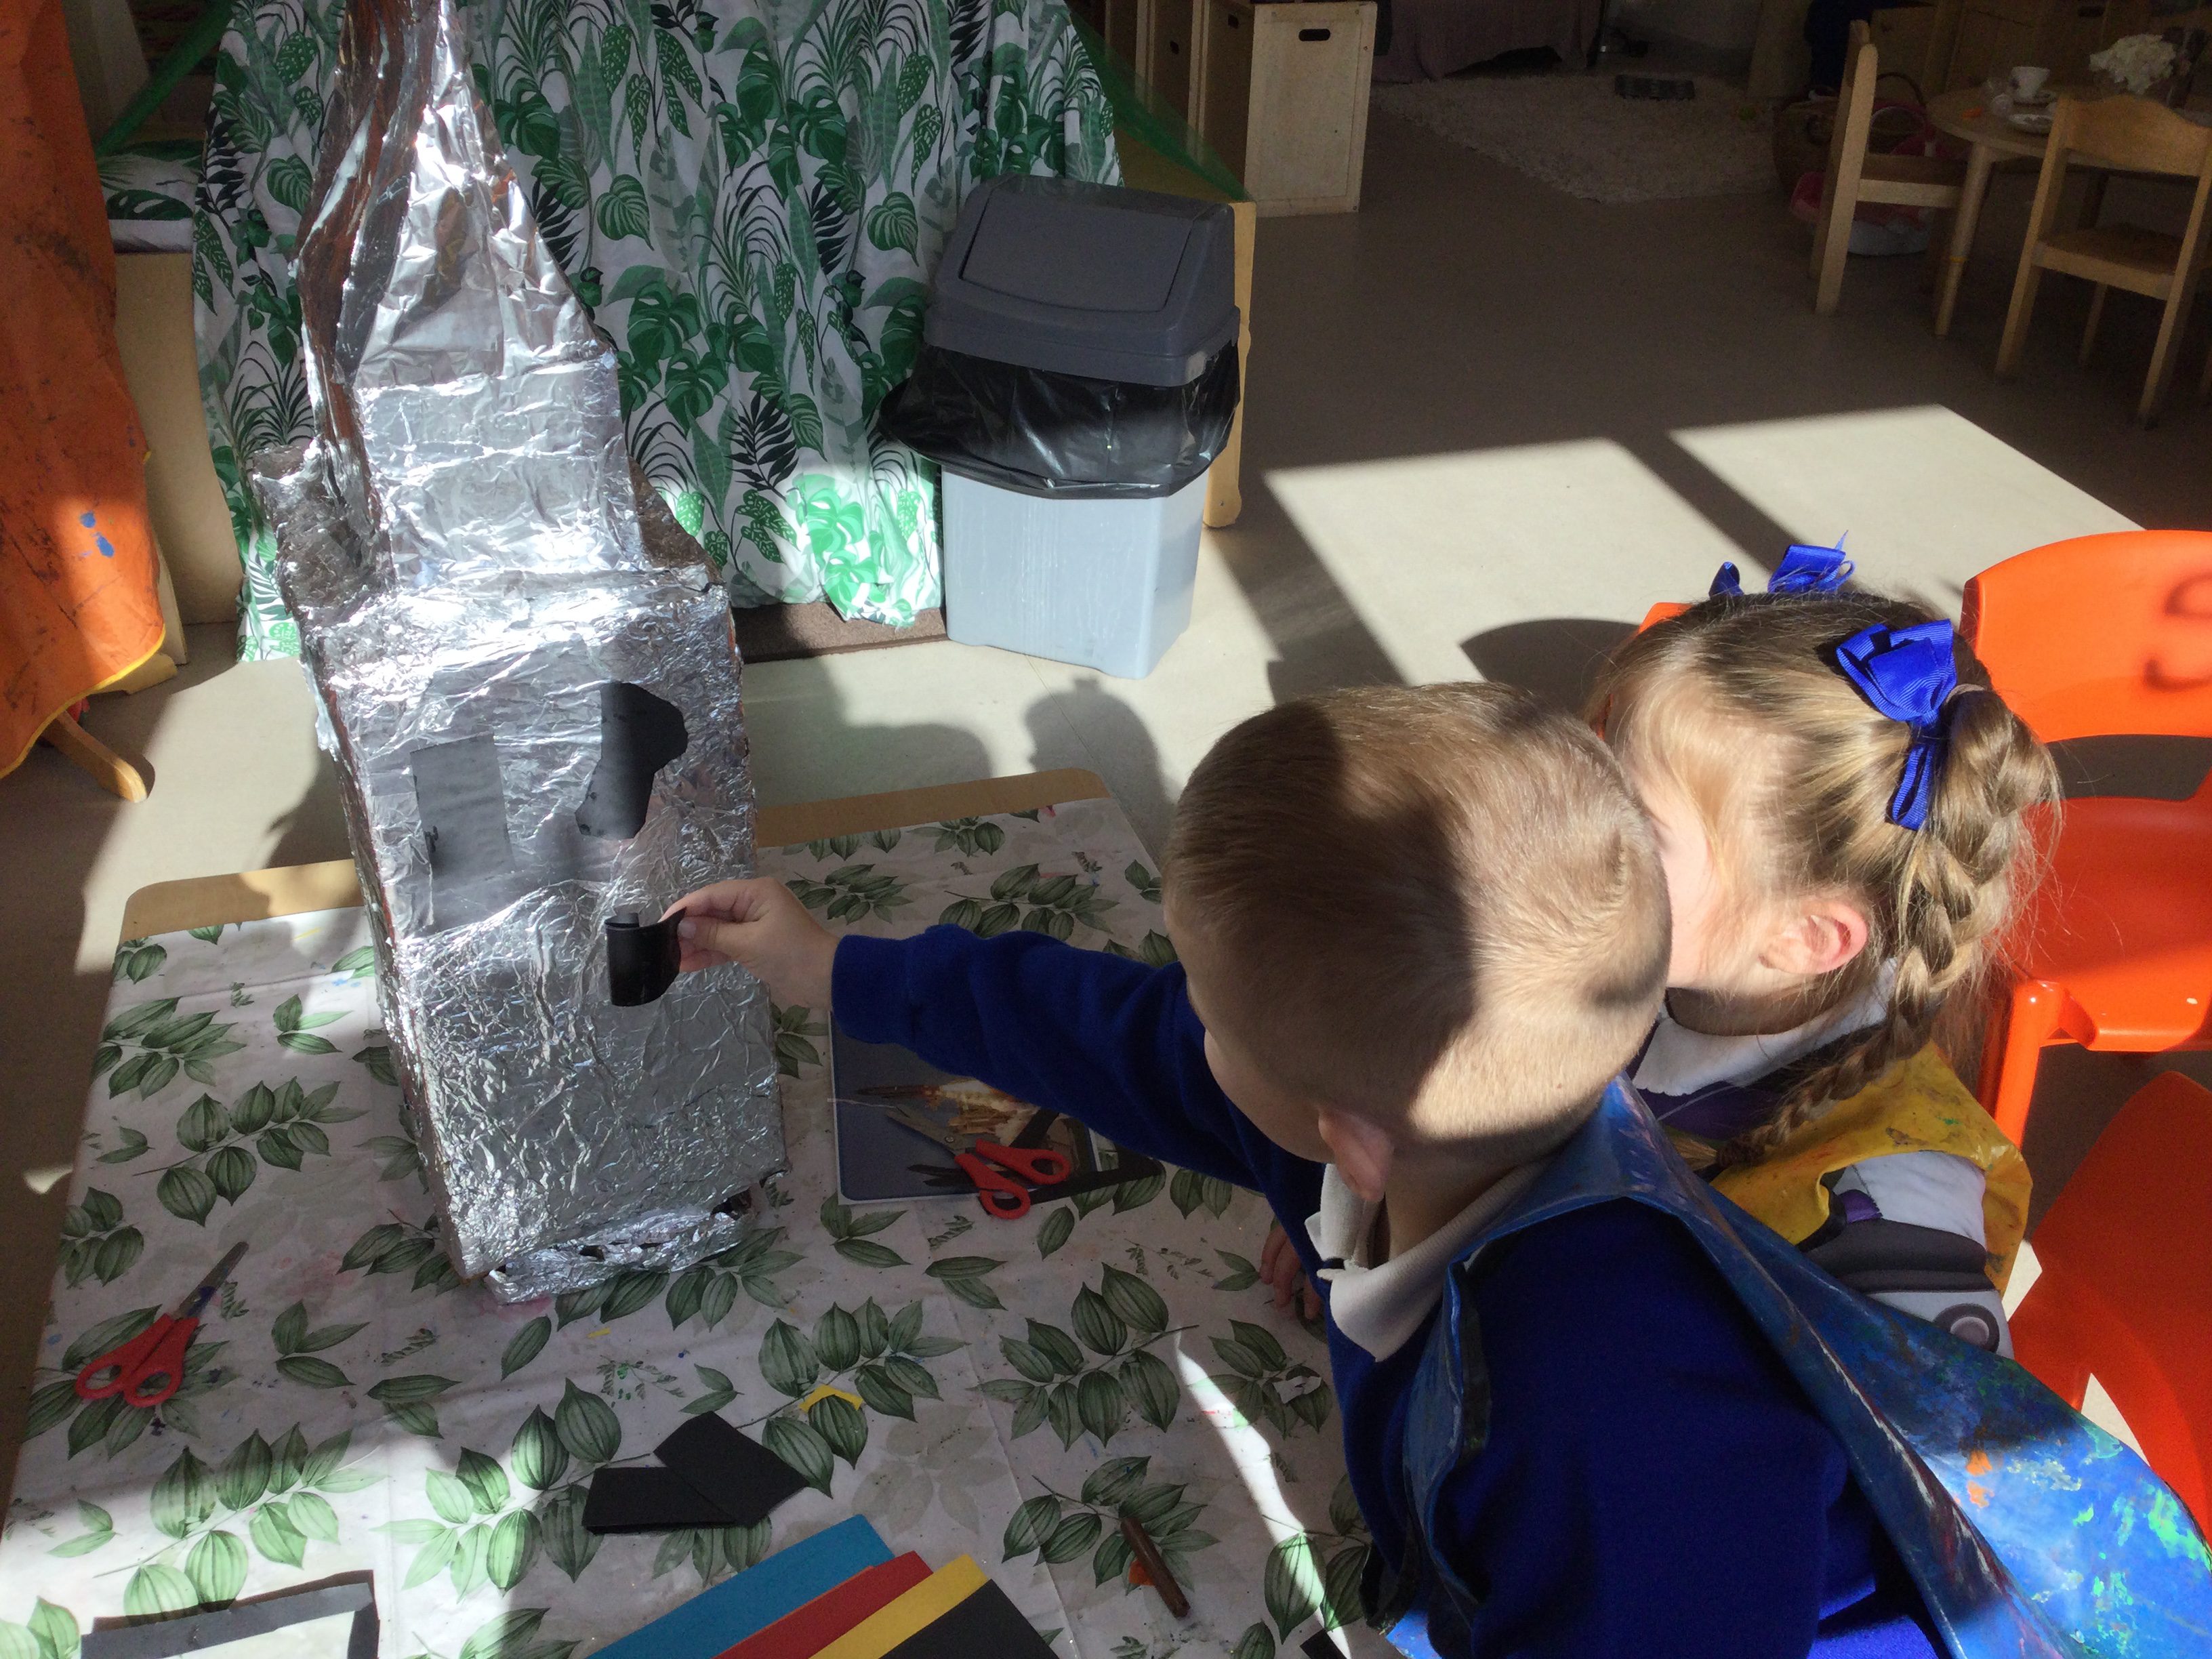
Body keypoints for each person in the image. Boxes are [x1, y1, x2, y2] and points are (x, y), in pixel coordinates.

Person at [673, 683, 1959, 1657]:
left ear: (1345, 1134)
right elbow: (1106, 1031)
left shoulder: (1621, 1420)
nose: (1188, 1023)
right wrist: (834, 967)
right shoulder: (1426, 1117)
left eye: (1211, 1013)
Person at [1589, 550, 2060, 1356]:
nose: (1569, 832)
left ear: (1806, 937)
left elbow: (1937, 1431)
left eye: (1636, 827)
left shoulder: (1890, 1223)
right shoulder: (1670, 958)